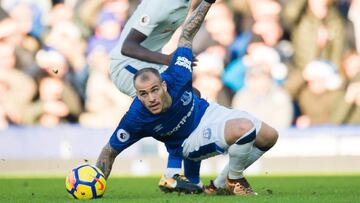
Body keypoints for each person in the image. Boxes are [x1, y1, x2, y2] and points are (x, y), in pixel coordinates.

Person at [97, 0, 278, 195]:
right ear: (137, 97)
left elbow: (187, 34)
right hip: (190, 141)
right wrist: (96, 183)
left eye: (154, 90)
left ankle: (215, 183)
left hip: (208, 112)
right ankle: (234, 179)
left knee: (269, 136)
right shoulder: (135, 117)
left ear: (164, 84)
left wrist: (207, 3)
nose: (151, 98)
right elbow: (109, 151)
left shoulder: (178, 73)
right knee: (244, 128)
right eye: (143, 94)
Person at [108, 0, 201, 192]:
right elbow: (128, 47)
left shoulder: (183, 5)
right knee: (173, 103)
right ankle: (173, 174)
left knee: (193, 96)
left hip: (149, 59)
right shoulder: (161, 4)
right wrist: (168, 59)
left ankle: (182, 176)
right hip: (125, 64)